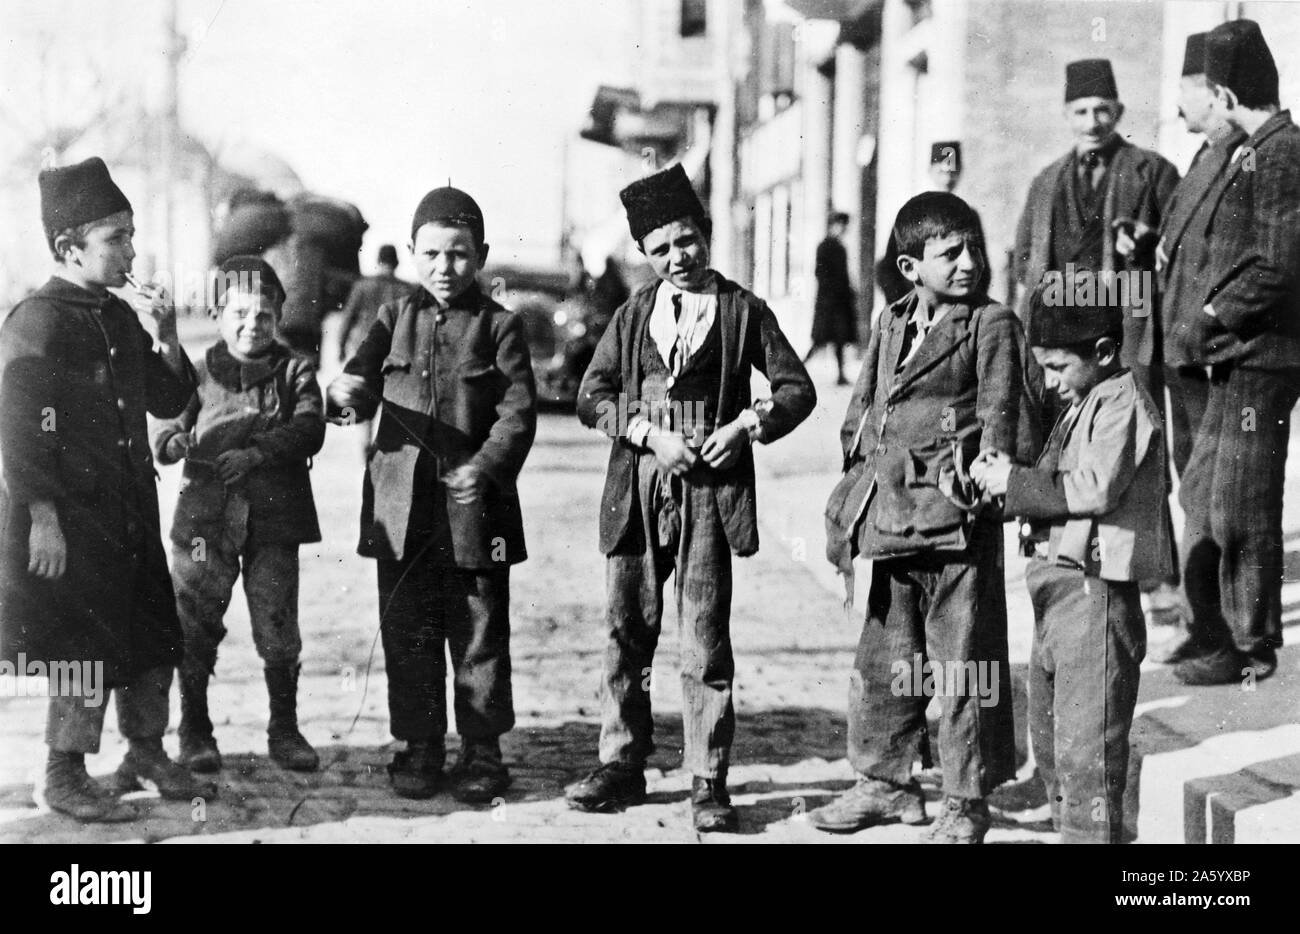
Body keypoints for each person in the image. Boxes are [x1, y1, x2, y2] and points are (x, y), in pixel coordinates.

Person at [565, 164, 815, 833]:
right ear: (644, 255)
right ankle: (622, 761)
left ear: (706, 232)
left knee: (704, 638)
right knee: (627, 629)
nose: (680, 257)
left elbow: (797, 388)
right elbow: (592, 396)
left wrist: (746, 427)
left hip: (710, 490)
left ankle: (708, 777)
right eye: (662, 247)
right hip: (641, 486)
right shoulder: (633, 313)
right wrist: (648, 435)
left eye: (688, 239)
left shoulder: (742, 312)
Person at [811, 192, 1039, 844]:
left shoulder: (990, 325)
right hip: (892, 520)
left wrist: (985, 476)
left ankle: (967, 800)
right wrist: (860, 475)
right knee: (885, 657)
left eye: (973, 248)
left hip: (957, 525)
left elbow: (1002, 414)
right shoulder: (890, 323)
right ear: (910, 269)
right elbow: (863, 411)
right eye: (950, 253)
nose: (969, 262)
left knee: (966, 665)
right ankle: (886, 784)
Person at [0, 156, 211, 821]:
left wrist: (168, 338)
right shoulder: (37, 321)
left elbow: (169, 395)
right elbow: (22, 429)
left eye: (131, 233)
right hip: (70, 516)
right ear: (69, 248)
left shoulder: (118, 317)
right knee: (80, 647)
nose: (131, 249)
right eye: (115, 237)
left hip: (129, 511)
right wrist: (41, 516)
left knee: (151, 626)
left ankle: (145, 749)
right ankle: (63, 773)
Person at [326, 187, 537, 801]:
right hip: (401, 512)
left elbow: (518, 413)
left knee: (478, 632)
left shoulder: (501, 327)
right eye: (433, 254)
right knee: (409, 631)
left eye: (460, 254)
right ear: (414, 254)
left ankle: (481, 751)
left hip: (477, 514)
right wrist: (344, 397)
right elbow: (360, 384)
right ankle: (419, 746)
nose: (446, 268)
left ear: (482, 255)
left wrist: (487, 465)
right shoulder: (392, 318)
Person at [972, 280, 1173, 843]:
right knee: (1054, 741)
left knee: (1088, 752)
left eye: (1059, 367)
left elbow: (1093, 487)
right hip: (1055, 591)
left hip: (1095, 595)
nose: (1051, 382)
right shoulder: (1086, 398)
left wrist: (1013, 480)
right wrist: (1005, 475)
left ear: (1105, 353)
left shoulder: (1125, 402)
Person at [152, 255, 325, 774]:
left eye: (265, 317)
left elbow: (311, 426)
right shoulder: (200, 371)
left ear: (279, 317)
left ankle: (285, 728)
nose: (253, 326)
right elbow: (164, 426)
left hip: (274, 520)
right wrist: (174, 440)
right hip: (205, 521)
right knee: (195, 623)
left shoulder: (295, 368)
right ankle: (195, 728)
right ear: (220, 315)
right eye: (240, 315)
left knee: (277, 623)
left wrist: (258, 453)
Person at [1167, 20, 1300, 685]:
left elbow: (1278, 267)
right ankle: (1223, 634)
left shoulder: (1281, 152)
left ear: (1222, 90)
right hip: (1238, 356)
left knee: (1242, 503)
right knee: (1216, 499)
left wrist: (1213, 314)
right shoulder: (1264, 148)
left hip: (1262, 358)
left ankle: (1251, 649)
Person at [1156, 33, 1247, 481]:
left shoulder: (1236, 155)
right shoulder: (1205, 154)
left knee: (1211, 479)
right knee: (1192, 472)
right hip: (1182, 344)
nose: (1176, 104)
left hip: (1204, 343)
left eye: (1183, 91)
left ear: (1213, 95)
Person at [876, 142, 989, 306]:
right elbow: (888, 267)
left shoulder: (969, 215)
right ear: (930, 171)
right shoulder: (913, 213)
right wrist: (904, 304)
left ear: (960, 172)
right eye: (941, 172)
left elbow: (982, 267)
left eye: (953, 172)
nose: (947, 178)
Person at [336, 243, 413, 367]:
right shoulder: (405, 289)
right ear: (397, 263)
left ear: (378, 261)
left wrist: (341, 347)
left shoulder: (362, 286)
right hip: (393, 349)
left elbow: (348, 319)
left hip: (363, 346)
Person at [805, 211, 858, 385]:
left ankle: (841, 375)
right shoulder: (825, 246)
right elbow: (820, 273)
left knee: (839, 339)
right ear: (833, 225)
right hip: (828, 302)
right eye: (842, 225)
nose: (844, 229)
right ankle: (798, 368)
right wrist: (833, 291)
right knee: (820, 340)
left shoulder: (840, 246)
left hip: (840, 301)